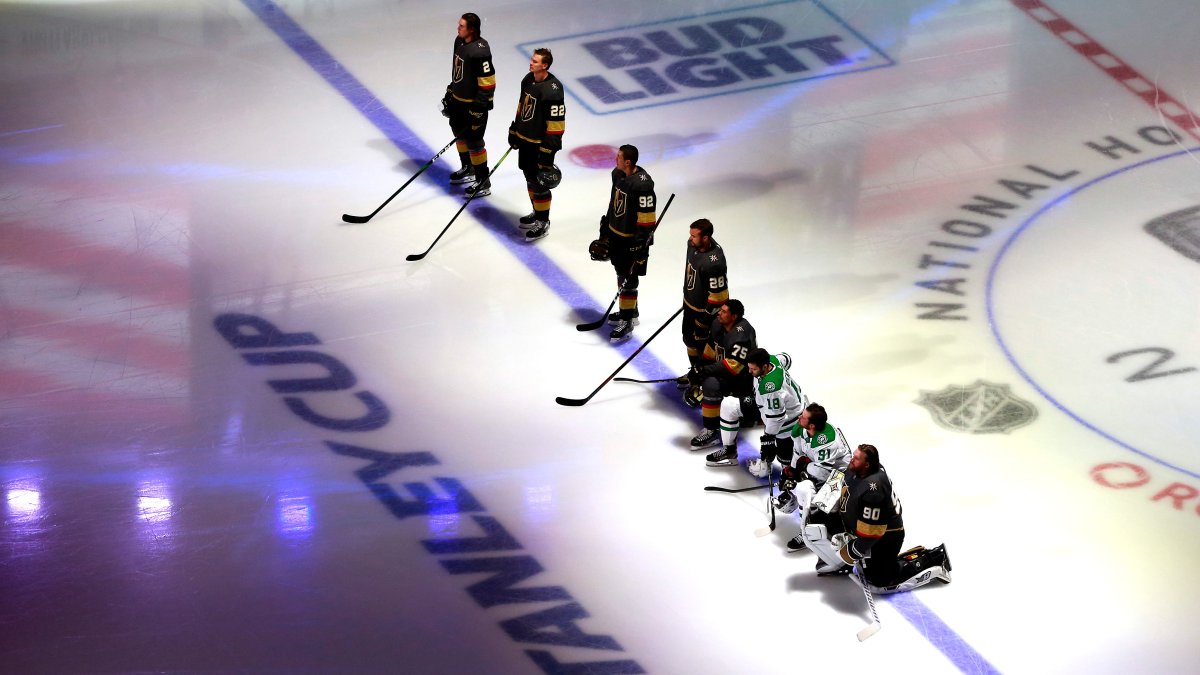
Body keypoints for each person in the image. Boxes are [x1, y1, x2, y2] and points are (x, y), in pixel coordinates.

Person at [802, 444, 951, 593]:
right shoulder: (859, 469)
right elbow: (841, 481)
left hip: (885, 537)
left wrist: (853, 551)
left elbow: (872, 533)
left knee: (880, 580)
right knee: (822, 521)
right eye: (854, 456)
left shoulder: (874, 491)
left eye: (856, 458)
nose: (852, 460)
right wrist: (823, 502)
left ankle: (935, 558)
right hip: (861, 525)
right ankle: (842, 562)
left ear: (866, 464)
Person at [592, 144, 656, 342]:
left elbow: (646, 220)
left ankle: (627, 319)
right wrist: (606, 229)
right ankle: (629, 311)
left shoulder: (642, 185)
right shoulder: (617, 175)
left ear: (628, 161)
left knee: (629, 279)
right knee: (621, 274)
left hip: (631, 241)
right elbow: (614, 203)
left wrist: (640, 247)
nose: (615, 159)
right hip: (617, 236)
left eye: (618, 157)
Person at [681, 300, 756, 467]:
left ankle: (713, 430)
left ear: (734, 317)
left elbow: (734, 367)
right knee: (706, 379)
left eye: (723, 311)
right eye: (720, 310)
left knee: (710, 385)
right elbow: (712, 346)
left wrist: (704, 372)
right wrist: (700, 366)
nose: (719, 313)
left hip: (742, 379)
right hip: (727, 372)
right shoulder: (718, 324)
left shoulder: (741, 335)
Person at [509, 48, 566, 242]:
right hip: (525, 140)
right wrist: (515, 129)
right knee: (529, 178)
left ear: (545, 65)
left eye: (535, 61)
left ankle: (543, 221)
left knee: (540, 183)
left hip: (539, 146)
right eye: (532, 60)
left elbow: (556, 124)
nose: (531, 63)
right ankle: (537, 211)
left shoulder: (553, 90)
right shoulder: (528, 80)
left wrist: (548, 151)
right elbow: (522, 106)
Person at [780, 403, 851, 552]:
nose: (799, 417)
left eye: (803, 417)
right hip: (817, 467)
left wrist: (805, 468)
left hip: (840, 474)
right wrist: (792, 470)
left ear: (811, 425)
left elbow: (825, 473)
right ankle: (811, 527)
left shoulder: (828, 441)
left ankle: (810, 533)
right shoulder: (801, 427)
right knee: (802, 488)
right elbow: (798, 452)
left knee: (818, 501)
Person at [443, 13, 496, 198]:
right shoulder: (459, 41)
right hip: (458, 101)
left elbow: (488, 83)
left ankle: (483, 180)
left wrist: (479, 109)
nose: (458, 28)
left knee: (474, 141)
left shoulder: (480, 50)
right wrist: (451, 90)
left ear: (472, 29)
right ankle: (468, 167)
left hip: (474, 105)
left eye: (462, 26)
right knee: (458, 131)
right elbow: (458, 71)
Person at [740, 349, 808, 482]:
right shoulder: (773, 360)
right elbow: (786, 357)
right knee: (796, 452)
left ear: (764, 367)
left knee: (786, 459)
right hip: (799, 410)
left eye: (753, 369)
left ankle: (791, 484)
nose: (750, 372)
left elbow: (777, 418)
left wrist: (768, 438)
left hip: (787, 425)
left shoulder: (771, 388)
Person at [678, 219, 728, 382]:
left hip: (707, 313)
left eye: (694, 236)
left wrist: (704, 320)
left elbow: (719, 297)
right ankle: (695, 374)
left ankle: (705, 381)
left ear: (705, 238)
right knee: (688, 339)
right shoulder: (692, 246)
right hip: (690, 305)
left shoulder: (714, 262)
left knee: (705, 347)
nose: (690, 238)